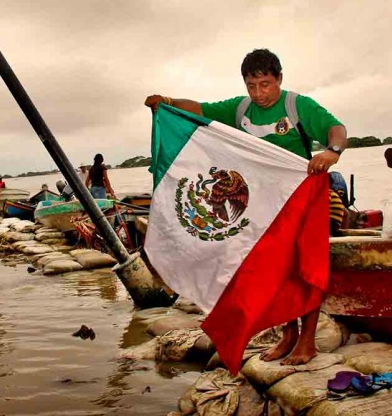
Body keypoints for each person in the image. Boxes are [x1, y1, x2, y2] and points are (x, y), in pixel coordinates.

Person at [144, 48, 347, 366]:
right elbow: (198, 110)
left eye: (265, 84)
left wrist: (332, 152)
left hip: (301, 199)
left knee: (305, 268)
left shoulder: (297, 106)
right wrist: (168, 102)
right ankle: (288, 335)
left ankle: (308, 342)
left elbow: (337, 129)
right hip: (263, 206)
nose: (259, 93)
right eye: (251, 86)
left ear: (279, 79)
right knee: (274, 271)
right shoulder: (241, 109)